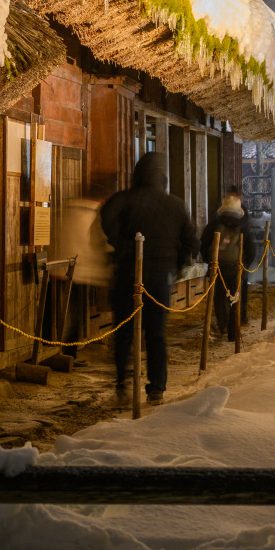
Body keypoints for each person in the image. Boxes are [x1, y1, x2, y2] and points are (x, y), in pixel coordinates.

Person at [99, 152, 198, 403]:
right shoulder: (175, 204)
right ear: (161, 175)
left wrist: (121, 245)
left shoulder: (123, 200)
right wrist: (179, 263)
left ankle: (122, 382)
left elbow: (106, 218)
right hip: (159, 275)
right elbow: (191, 240)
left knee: (123, 331)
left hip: (127, 273)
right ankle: (156, 387)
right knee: (156, 333)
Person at [203, 187, 257, 341]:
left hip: (217, 267)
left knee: (219, 297)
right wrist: (244, 265)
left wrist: (210, 261)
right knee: (235, 298)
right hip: (236, 268)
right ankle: (234, 332)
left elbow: (204, 244)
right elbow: (251, 249)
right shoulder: (243, 226)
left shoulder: (213, 224)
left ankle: (223, 326)